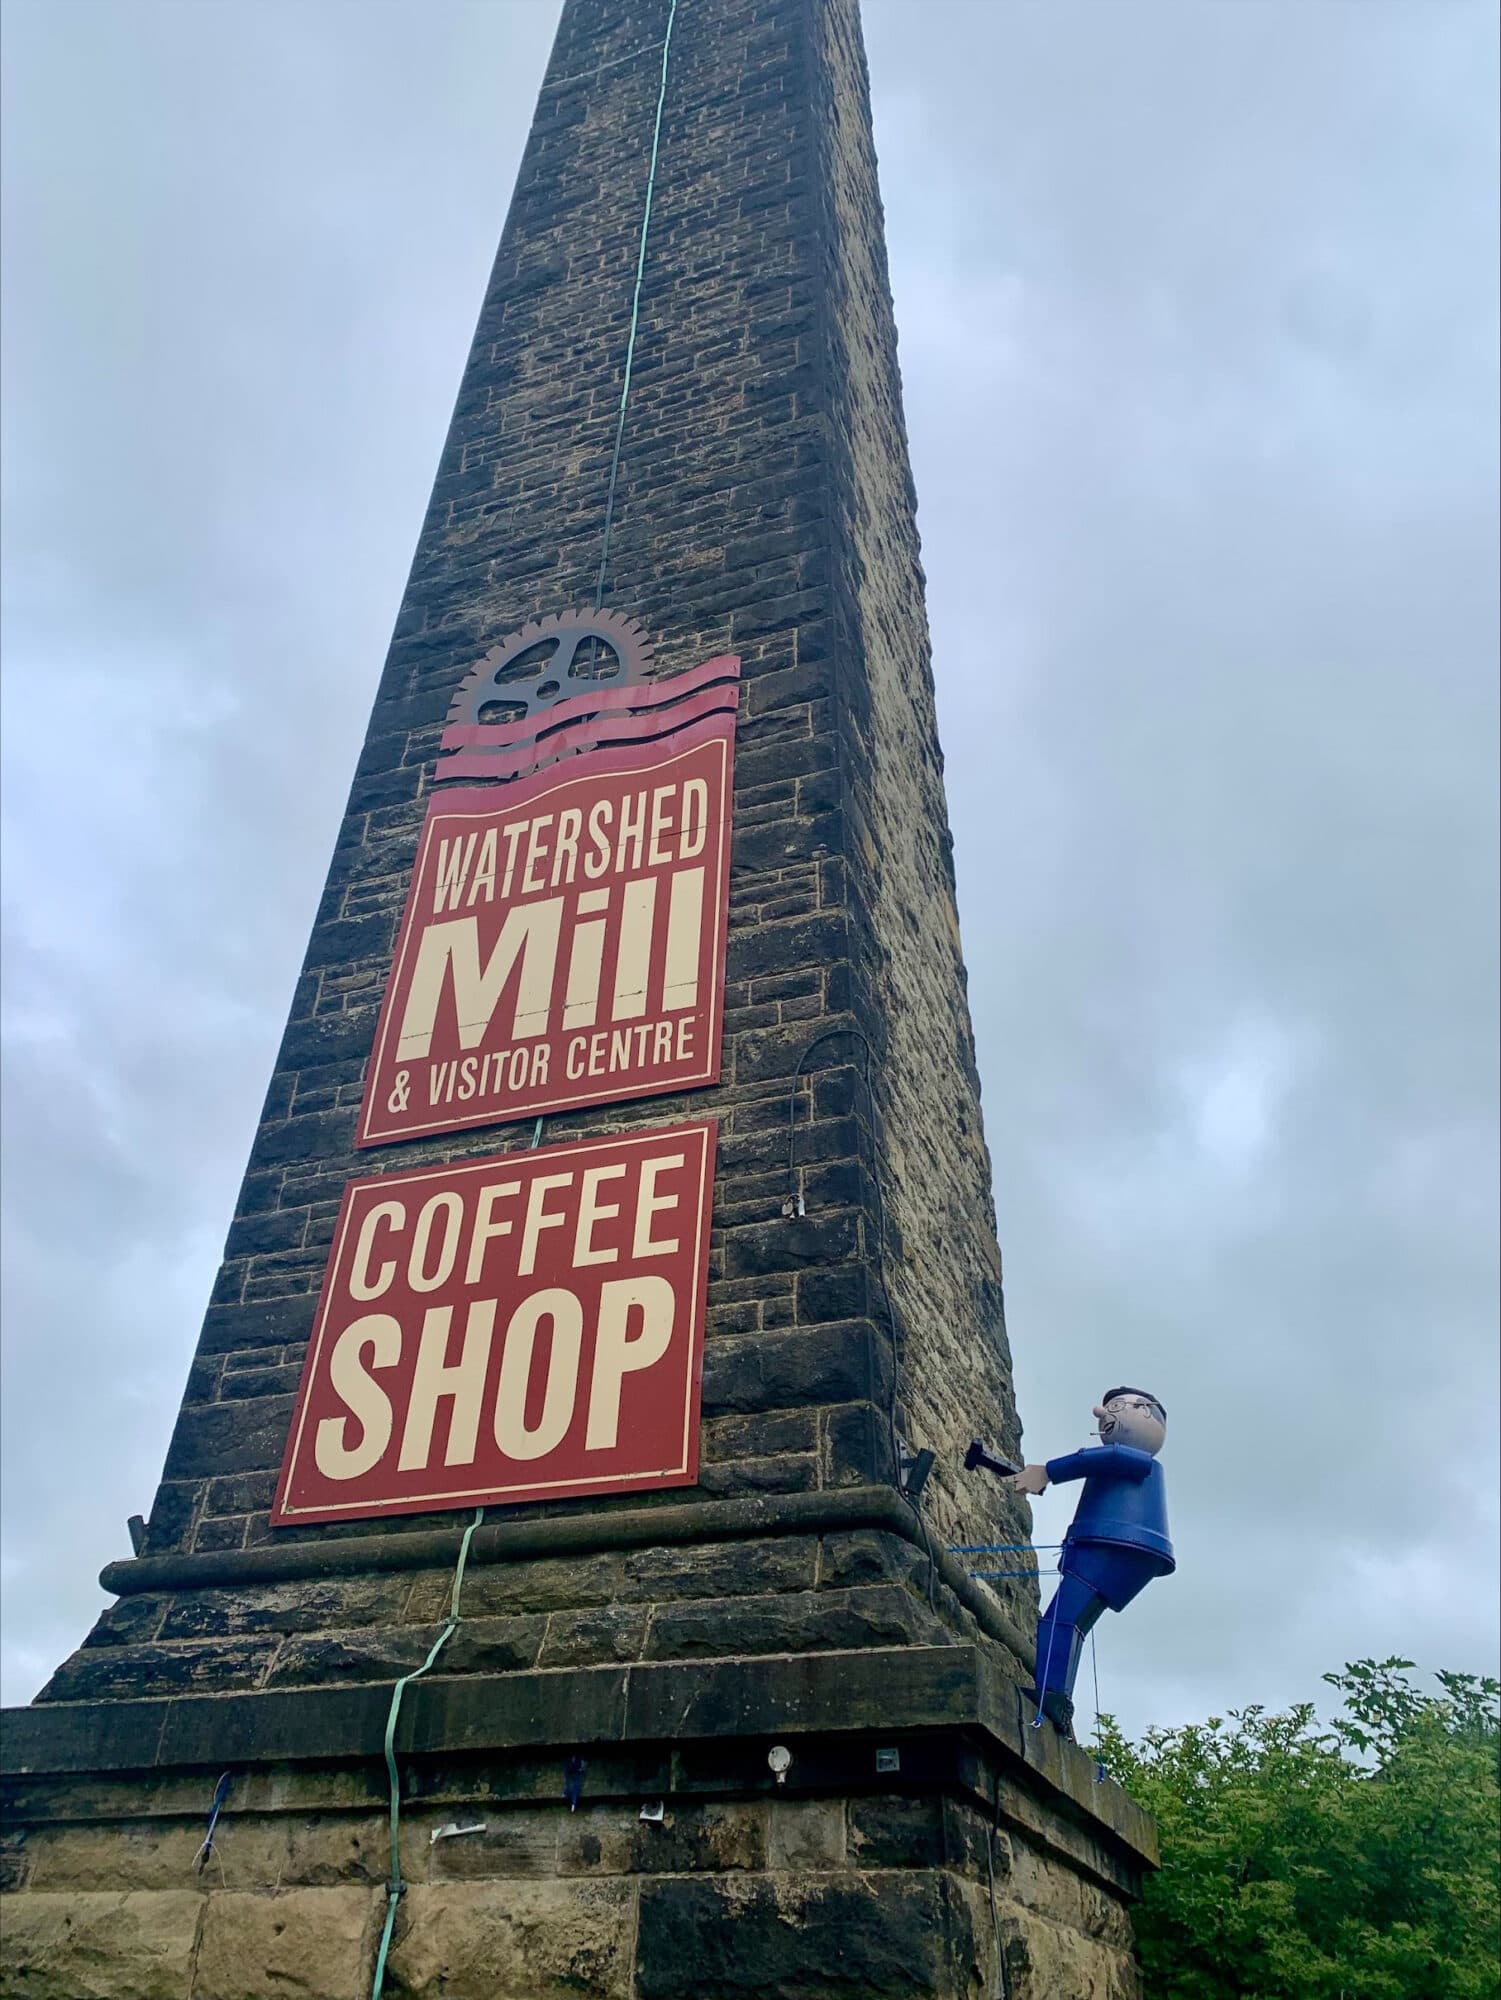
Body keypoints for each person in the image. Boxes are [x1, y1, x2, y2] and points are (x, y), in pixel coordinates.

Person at [1004, 1387, 1175, 1735]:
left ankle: (1051, 1695)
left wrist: (1048, 1471)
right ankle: (1057, 1698)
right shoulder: (1142, 1468)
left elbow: (1102, 1460)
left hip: (1110, 1546)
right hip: (1124, 1551)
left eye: (1116, 1407)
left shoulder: (1132, 1460)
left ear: (1145, 1412)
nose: (1101, 1413)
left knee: (1060, 1620)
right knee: (1073, 1621)